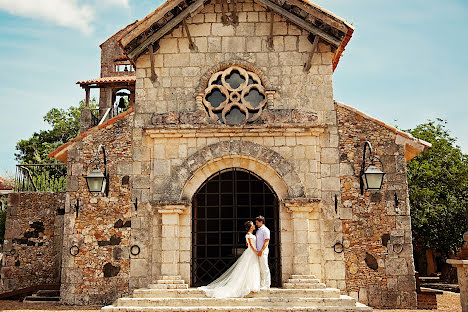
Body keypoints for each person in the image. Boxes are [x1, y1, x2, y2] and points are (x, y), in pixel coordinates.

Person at [199, 221, 260, 298]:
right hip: (251, 252)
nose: (254, 225)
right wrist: (256, 252)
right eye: (253, 225)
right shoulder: (248, 234)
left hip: (251, 252)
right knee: (248, 268)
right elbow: (250, 245)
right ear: (251, 227)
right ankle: (249, 285)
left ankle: (251, 285)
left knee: (251, 268)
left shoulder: (250, 235)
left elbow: (247, 244)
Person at [255, 215, 271, 290]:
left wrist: (261, 250)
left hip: (263, 252)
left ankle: (267, 285)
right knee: (261, 269)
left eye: (257, 222)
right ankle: (262, 284)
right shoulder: (259, 230)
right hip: (258, 252)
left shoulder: (265, 230)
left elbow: (266, 241)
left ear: (261, 222)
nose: (256, 224)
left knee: (265, 268)